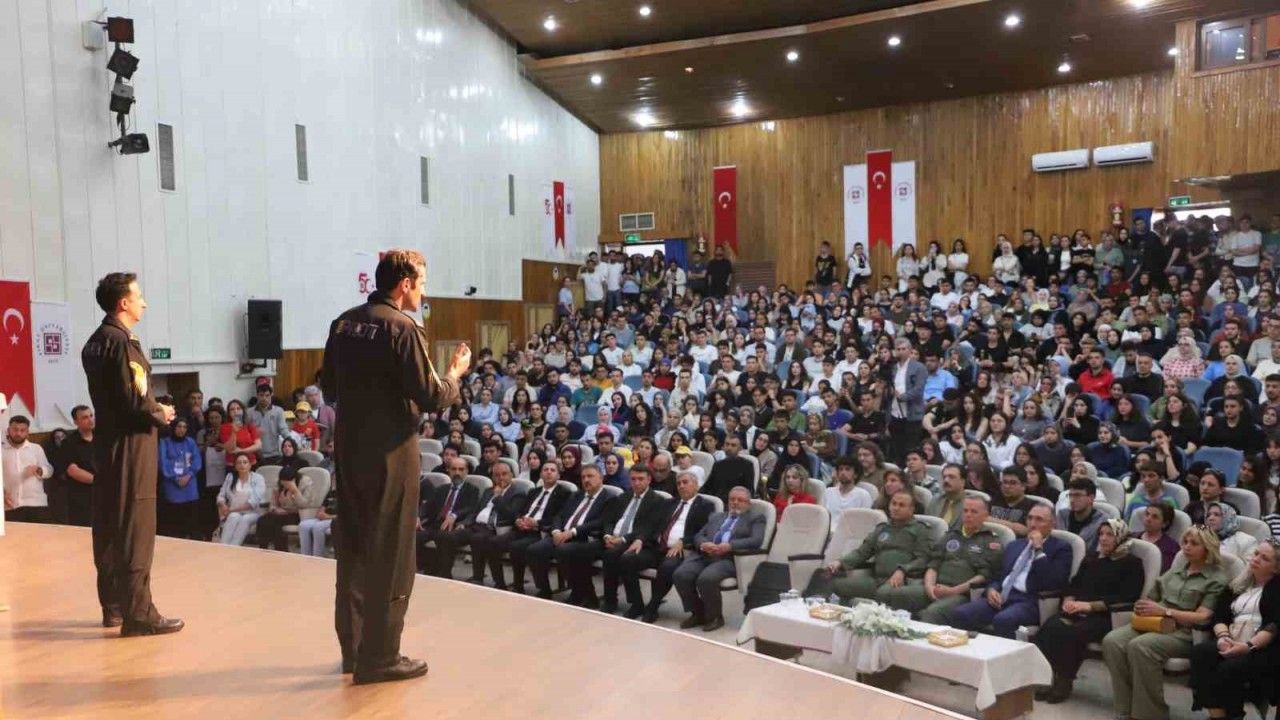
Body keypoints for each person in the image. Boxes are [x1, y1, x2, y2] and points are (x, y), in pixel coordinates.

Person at [320, 249, 468, 684]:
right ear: (405, 284)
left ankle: (353, 649)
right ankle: (381, 656)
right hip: (390, 455)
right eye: (422, 283)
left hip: (350, 451)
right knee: (392, 552)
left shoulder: (343, 323)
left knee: (354, 549)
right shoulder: (402, 328)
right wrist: (455, 373)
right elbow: (432, 396)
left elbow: (328, 387)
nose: (423, 292)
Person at [80, 272, 180, 635]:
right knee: (136, 527)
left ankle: (114, 607)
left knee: (108, 525)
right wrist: (161, 412)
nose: (144, 303)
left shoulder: (94, 342)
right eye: (139, 296)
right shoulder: (123, 342)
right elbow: (136, 401)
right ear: (123, 303)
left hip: (106, 444)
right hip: (132, 446)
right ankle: (139, 614)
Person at [1103, 526, 1229, 720]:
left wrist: (1166, 611)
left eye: (1194, 544)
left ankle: (1150, 715)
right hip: (1154, 622)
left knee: (1141, 646)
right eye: (1185, 542)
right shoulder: (1177, 570)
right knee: (1112, 641)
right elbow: (1152, 596)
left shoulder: (1216, 578)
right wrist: (1144, 605)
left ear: (1208, 548)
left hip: (1185, 632)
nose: (1187, 547)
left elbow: (1203, 617)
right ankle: (1125, 710)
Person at [1033, 518, 1145, 703]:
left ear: (1121, 537)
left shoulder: (1132, 563)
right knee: (1050, 627)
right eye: (1101, 534)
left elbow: (1127, 597)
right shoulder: (1092, 558)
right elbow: (1074, 584)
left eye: (1109, 534)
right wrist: (1069, 599)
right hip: (1078, 610)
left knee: (1073, 634)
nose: (1103, 538)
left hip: (1106, 616)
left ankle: (1064, 680)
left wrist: (1090, 606)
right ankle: (1047, 676)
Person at [947, 504, 1072, 638]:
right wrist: (991, 590)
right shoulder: (1014, 545)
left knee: (1003, 620)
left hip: (1029, 601)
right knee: (960, 613)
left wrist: (1038, 548)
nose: (1032, 524)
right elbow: (998, 575)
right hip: (1001, 596)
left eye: (1039, 519)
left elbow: (1053, 581)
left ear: (1052, 524)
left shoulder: (1061, 548)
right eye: (1029, 518)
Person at [1190, 540, 1280, 720]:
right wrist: (1223, 637)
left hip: (1262, 647)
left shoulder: (1277, 588)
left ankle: (1234, 715)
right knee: (1201, 653)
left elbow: (1274, 626)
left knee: (1228, 669)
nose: (1256, 559)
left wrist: (1247, 646)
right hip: (1232, 638)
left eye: (1264, 558)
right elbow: (1219, 616)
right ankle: (1218, 715)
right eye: (1256, 554)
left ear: (1276, 568)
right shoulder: (1239, 583)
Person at [622, 471, 715, 623]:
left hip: (681, 550)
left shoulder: (706, 506)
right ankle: (636, 604)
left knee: (667, 567)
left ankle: (653, 606)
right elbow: (651, 525)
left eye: (685, 482)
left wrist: (684, 541)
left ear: (696, 485)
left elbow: (705, 531)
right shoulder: (668, 503)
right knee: (627, 558)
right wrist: (640, 539)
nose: (681, 486)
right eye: (679, 483)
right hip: (656, 547)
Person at [673, 486, 765, 631]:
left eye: (740, 500)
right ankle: (698, 613)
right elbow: (699, 535)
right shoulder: (716, 516)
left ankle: (715, 617)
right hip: (705, 554)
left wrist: (730, 546)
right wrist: (703, 544)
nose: (735, 503)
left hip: (728, 558)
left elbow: (756, 540)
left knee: (706, 579)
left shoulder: (755, 518)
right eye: (732, 499)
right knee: (680, 575)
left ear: (748, 504)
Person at [905, 495, 1003, 624]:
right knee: (893, 595)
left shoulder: (991, 541)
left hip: (962, 594)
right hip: (936, 587)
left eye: (974, 512)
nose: (968, 515)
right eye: (965, 510)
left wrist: (952, 591)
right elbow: (933, 564)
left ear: (985, 516)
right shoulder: (951, 535)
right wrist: (929, 587)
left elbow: (984, 577)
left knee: (932, 613)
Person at [825, 490, 932, 605]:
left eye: (901, 505)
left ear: (911, 509)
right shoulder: (882, 528)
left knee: (883, 593)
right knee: (836, 584)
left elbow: (923, 559)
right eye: (894, 504)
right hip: (877, 580)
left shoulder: (920, 530)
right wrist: (840, 562)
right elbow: (862, 553)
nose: (896, 508)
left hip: (903, 581)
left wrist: (903, 570)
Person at [525, 465, 610, 604]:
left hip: (587, 538)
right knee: (535, 550)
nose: (586, 480)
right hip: (562, 533)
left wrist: (572, 532)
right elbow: (559, 515)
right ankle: (544, 589)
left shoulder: (609, 498)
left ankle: (579, 592)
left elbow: (600, 522)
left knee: (563, 550)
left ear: (601, 478)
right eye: (583, 477)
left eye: (590, 476)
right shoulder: (576, 495)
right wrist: (556, 531)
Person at [487, 462, 571, 592]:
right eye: (545, 470)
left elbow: (560, 517)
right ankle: (500, 584)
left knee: (517, 546)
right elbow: (521, 511)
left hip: (540, 531)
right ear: (541, 474)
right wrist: (518, 520)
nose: (549, 472)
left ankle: (528, 587)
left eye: (552, 470)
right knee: (493, 542)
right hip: (522, 528)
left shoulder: (564, 493)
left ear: (558, 475)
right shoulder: (533, 492)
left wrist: (537, 523)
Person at [596, 464, 666, 615]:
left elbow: (649, 528)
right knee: (606, 553)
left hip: (641, 543)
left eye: (640, 479)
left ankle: (633, 604)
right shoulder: (624, 497)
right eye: (633, 479)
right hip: (614, 539)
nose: (636, 483)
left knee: (618, 557)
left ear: (649, 480)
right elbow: (609, 520)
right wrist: (607, 535)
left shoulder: (657, 501)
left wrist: (622, 539)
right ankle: (610, 600)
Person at [450, 460, 526, 586]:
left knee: (478, 538)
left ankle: (481, 578)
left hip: (496, 529)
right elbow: (476, 511)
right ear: (492, 477)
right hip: (477, 526)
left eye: (504, 474)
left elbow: (512, 516)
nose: (500, 478)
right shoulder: (488, 491)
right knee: (450, 536)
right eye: (497, 475)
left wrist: (498, 498)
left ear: (511, 475)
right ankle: (443, 573)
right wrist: (464, 523)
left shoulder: (518, 493)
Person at [416, 456, 481, 577]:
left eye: (461, 469)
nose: (457, 473)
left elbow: (471, 508)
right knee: (415, 535)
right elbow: (427, 506)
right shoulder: (441, 489)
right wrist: (418, 516)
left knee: (444, 537)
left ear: (467, 471)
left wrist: (455, 515)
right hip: (437, 525)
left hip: (457, 527)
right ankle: (422, 570)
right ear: (448, 471)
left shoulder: (472, 490)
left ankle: (444, 574)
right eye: (454, 469)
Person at [2, 415, 53, 523]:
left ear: (28, 432)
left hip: (36, 504)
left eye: (22, 430)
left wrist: (39, 470)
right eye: (15, 429)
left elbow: (49, 470)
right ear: (8, 430)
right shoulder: (1, 450)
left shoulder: (36, 449)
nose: (18, 433)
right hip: (10, 505)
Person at [158, 418, 202, 539]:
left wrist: (189, 475)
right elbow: (163, 462)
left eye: (184, 427)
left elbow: (197, 460)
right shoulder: (165, 442)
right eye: (179, 426)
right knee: (174, 520)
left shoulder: (190, 442)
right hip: (172, 484)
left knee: (191, 517)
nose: (181, 429)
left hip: (189, 482)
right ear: (173, 427)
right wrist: (175, 478)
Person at [216, 454, 267, 546]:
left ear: (250, 465)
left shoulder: (258, 478)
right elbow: (221, 495)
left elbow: (253, 502)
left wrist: (230, 510)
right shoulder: (230, 477)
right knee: (233, 516)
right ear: (235, 466)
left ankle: (234, 547)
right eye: (239, 463)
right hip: (233, 511)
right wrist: (223, 505)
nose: (242, 465)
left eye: (245, 462)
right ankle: (223, 546)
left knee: (245, 519)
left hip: (253, 512)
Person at [63, 405, 97, 527]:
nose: (90, 420)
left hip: (106, 496)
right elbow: (72, 470)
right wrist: (99, 481)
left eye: (91, 416)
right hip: (82, 498)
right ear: (75, 422)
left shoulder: (103, 438)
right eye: (85, 418)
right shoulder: (69, 442)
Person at [1056, 477, 1107, 553]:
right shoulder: (1062, 515)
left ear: (1091, 498)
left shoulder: (1103, 521)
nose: (1072, 500)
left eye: (1077, 495)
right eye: (1070, 495)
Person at [823, 456, 874, 530]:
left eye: (847, 469)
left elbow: (865, 521)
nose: (843, 473)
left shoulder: (863, 495)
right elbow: (822, 517)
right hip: (827, 532)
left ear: (855, 474)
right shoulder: (828, 492)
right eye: (840, 469)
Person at [248, 384, 289, 465]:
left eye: (267, 395)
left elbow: (283, 429)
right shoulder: (249, 412)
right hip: (254, 454)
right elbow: (245, 432)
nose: (264, 398)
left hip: (274, 454)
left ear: (271, 396)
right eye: (261, 395)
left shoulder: (278, 411)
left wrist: (290, 440)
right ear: (257, 396)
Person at [1133, 502, 1180, 572]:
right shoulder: (1131, 537)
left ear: (1164, 524)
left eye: (1155, 517)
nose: (1148, 519)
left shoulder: (1171, 547)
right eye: (1147, 514)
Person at [925, 463, 968, 528]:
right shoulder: (936, 500)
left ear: (963, 482)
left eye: (951, 477)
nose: (946, 480)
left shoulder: (969, 504)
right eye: (944, 477)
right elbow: (926, 525)